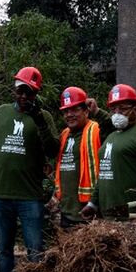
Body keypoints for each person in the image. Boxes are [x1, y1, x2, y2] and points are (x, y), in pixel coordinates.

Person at [0, 66, 59, 272]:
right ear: (14, 90)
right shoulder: (2, 112)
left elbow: (54, 148)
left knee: (35, 249)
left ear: (36, 93)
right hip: (1, 195)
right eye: (20, 90)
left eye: (28, 92)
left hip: (30, 197)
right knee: (4, 250)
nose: (23, 95)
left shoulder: (43, 116)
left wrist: (38, 120)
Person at [82, 84, 136, 221]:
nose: (117, 114)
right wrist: (92, 203)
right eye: (114, 109)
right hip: (106, 216)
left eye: (123, 109)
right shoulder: (111, 136)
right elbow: (103, 174)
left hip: (130, 216)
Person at [48, 86, 102, 229]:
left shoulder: (96, 130)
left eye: (75, 109)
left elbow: (113, 131)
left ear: (86, 111)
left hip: (89, 211)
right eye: (66, 111)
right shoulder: (64, 134)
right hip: (66, 212)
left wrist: (99, 112)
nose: (69, 114)